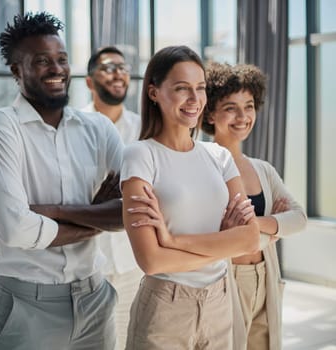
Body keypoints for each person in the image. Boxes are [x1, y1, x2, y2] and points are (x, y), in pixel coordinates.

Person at [0, 12, 124, 350]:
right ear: (17, 71)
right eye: (42, 61)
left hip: (94, 299)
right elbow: (16, 230)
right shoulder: (1, 127)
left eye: (61, 59)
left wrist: (50, 211)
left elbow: (136, 209)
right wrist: (95, 216)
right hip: (28, 306)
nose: (57, 69)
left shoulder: (98, 129)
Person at [120, 45, 260, 350]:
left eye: (200, 88)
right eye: (182, 88)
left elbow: (250, 239)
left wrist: (172, 241)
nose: (195, 100)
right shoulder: (140, 156)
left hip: (220, 300)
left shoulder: (219, 156)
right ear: (154, 92)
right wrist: (224, 243)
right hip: (166, 306)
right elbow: (151, 261)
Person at [202, 62, 307, 350]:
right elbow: (210, 235)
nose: (243, 116)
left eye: (249, 106)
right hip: (225, 281)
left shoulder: (263, 169)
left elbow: (299, 218)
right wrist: (273, 225)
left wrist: (252, 225)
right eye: (231, 107)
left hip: (266, 275)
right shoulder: (202, 166)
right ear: (210, 112)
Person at [83, 45, 142, 349]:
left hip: (134, 263)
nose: (118, 73)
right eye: (108, 67)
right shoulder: (73, 127)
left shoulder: (144, 128)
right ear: (89, 81)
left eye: (123, 67)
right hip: (89, 264)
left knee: (132, 340)